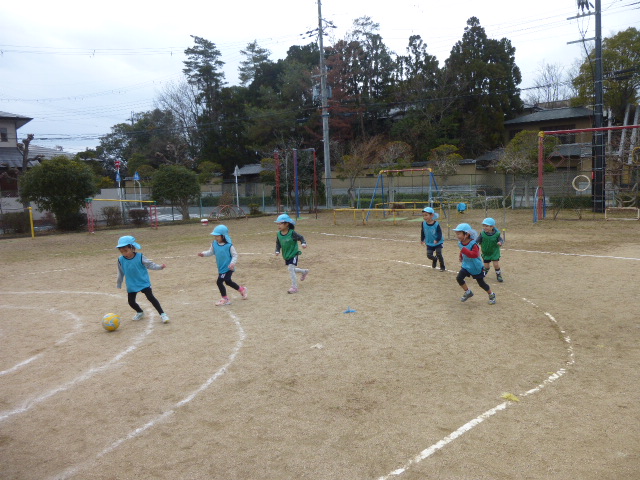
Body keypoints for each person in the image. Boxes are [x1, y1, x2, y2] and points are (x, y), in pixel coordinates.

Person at [116, 235, 170, 323]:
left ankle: (163, 314)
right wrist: (119, 283)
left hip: (143, 282)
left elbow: (150, 264)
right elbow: (120, 272)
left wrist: (160, 267)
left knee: (151, 298)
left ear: (132, 247)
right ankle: (140, 312)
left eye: (126, 250)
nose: (124, 253)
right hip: (131, 284)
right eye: (122, 251)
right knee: (131, 302)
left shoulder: (140, 257)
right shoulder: (121, 260)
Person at [198, 224, 247, 306]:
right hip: (221, 268)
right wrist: (203, 254)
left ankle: (225, 299)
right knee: (228, 282)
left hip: (228, 268)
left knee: (219, 282)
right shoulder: (214, 243)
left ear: (223, 236)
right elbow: (211, 252)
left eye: (217, 236)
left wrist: (232, 263)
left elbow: (235, 255)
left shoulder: (229, 246)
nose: (216, 238)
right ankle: (242, 289)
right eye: (215, 236)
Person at [452, 223, 496, 305]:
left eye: (459, 234)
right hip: (466, 265)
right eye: (456, 234)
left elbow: (475, 255)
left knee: (481, 283)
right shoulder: (460, 243)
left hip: (476, 266)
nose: (457, 236)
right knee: (459, 278)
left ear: (467, 234)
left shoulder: (473, 244)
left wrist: (465, 251)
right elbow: (462, 250)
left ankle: (491, 294)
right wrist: (461, 255)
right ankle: (468, 292)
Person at [274, 213, 309, 294]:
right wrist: (277, 250)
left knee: (290, 269)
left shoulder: (292, 233)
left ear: (287, 224)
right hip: (286, 255)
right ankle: (304, 271)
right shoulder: (279, 234)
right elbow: (278, 243)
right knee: (292, 269)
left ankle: (294, 287)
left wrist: (303, 243)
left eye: (280, 224)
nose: (278, 226)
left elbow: (301, 237)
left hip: (294, 253)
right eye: (277, 224)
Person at [477, 217, 504, 282]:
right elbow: (477, 240)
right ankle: (484, 273)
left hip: (494, 252)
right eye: (484, 226)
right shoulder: (482, 234)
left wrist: (500, 242)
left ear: (492, 227)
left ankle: (498, 275)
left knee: (496, 264)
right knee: (486, 266)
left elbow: (501, 239)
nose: (485, 227)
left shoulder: (497, 234)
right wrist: (474, 244)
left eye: (487, 226)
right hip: (486, 252)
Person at [420, 206, 446, 271]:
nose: (424, 217)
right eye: (423, 216)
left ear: (432, 215)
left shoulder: (436, 224)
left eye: (426, 215)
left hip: (438, 242)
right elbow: (422, 232)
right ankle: (434, 259)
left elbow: (440, 233)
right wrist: (422, 239)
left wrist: (437, 240)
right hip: (429, 242)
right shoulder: (423, 223)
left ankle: (442, 267)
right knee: (429, 255)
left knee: (439, 253)